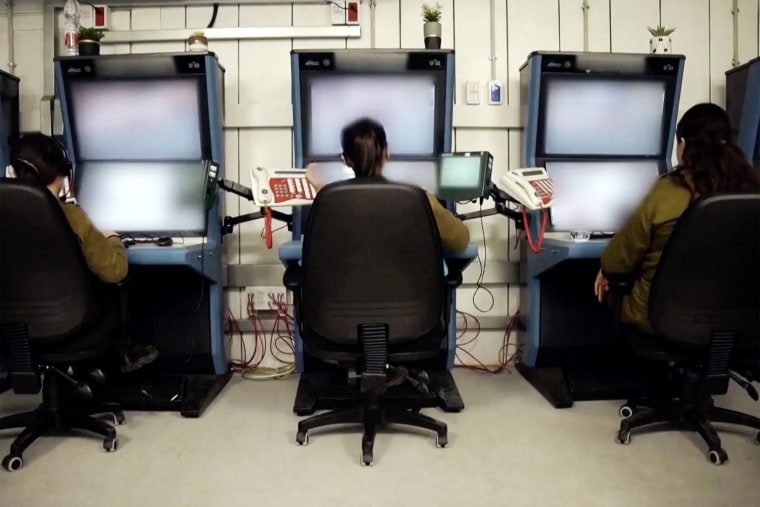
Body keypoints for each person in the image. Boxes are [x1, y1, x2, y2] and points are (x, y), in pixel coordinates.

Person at [594, 103, 760, 334]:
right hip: (742, 321)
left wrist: (606, 271)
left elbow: (617, 260)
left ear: (682, 144)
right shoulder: (751, 188)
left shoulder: (669, 189)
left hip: (663, 319)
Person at [8, 133, 159, 372]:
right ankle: (123, 356)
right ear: (62, 173)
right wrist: (112, 237)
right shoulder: (70, 216)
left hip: (13, 329)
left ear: (14, 172)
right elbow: (115, 271)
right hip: (70, 324)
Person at [307, 117, 471, 252]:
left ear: (346, 160)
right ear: (387, 152)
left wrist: (319, 188)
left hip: (344, 292)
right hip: (408, 292)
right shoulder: (419, 199)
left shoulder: (329, 202)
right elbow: (460, 242)